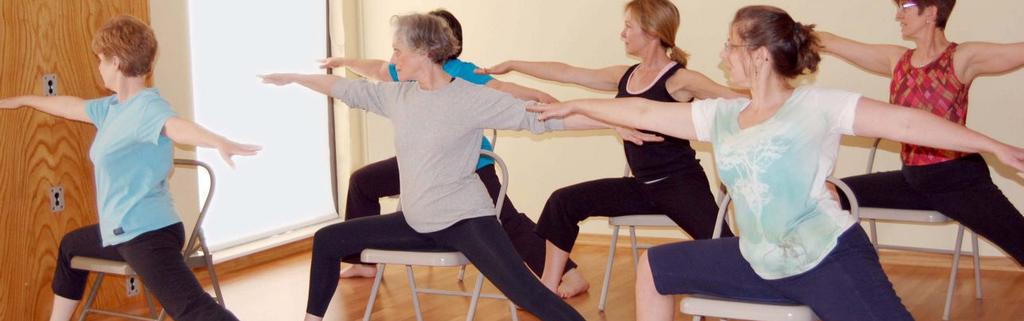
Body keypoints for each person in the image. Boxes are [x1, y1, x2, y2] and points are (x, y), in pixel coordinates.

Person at [528, 5, 1024, 320]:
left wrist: (992, 146)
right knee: (655, 266)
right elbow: (640, 109)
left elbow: (909, 124)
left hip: (827, 258)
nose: (723, 55)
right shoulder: (721, 115)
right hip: (758, 259)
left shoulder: (816, 106)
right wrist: (577, 105)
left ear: (760, 55)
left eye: (731, 45)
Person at [259, 13, 609, 321]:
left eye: (398, 50)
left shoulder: (469, 98)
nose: (392, 57)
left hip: (465, 220)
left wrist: (613, 120)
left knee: (527, 294)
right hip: (415, 221)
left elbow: (544, 120)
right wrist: (295, 77)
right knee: (327, 239)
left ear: (424, 52)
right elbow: (345, 88)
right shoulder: (399, 96)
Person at [477, 0, 743, 297]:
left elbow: (733, 100)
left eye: (629, 26)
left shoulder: (681, 80)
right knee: (563, 202)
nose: (622, 33)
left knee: (723, 246)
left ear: (652, 31)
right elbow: (568, 72)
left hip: (680, 185)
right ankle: (547, 290)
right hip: (642, 188)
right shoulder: (625, 75)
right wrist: (514, 64)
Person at [0, 15, 259, 321]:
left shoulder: (148, 108)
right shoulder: (111, 109)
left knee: (195, 311)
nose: (98, 67)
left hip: (147, 233)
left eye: (101, 60)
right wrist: (21, 101)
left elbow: (175, 127)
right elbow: (69, 106)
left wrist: (216, 140)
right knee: (71, 247)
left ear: (117, 62)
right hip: (121, 231)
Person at [319, 10, 588, 290]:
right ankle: (362, 262)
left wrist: (554, 105)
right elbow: (376, 69)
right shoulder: (409, 67)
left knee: (506, 220)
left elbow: (506, 88)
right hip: (423, 165)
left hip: (470, 165)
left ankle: (568, 273)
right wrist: (343, 61)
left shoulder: (462, 72)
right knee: (363, 181)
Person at [818, 0, 1024, 265]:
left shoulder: (961, 57)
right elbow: (831, 41)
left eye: (905, 6)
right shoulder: (897, 59)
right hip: (913, 181)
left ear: (931, 11)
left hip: (958, 181)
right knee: (830, 192)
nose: (898, 14)